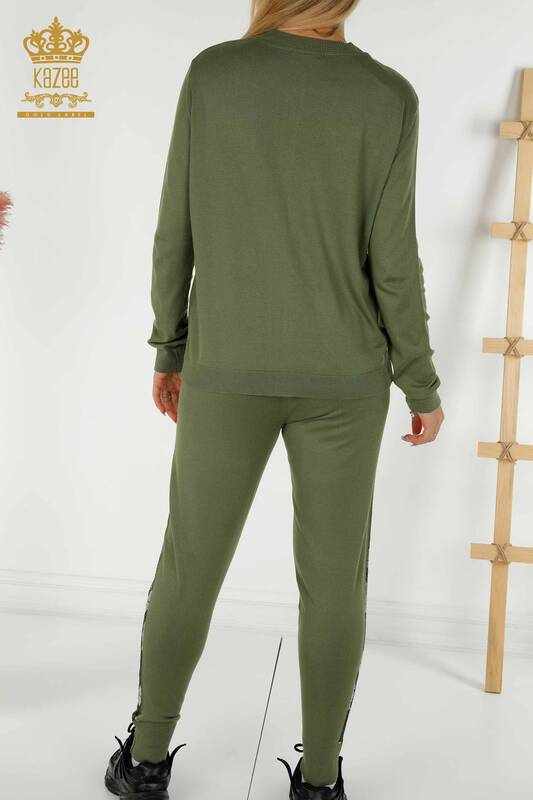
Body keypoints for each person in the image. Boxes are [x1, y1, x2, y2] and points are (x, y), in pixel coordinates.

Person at [104, 1, 444, 798]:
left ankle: (145, 762)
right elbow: (394, 259)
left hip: (225, 368)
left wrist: (170, 346)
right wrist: (419, 380)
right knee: (334, 584)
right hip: (346, 379)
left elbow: (174, 229)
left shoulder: (214, 75)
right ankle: (320, 780)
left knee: (189, 565)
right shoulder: (387, 96)